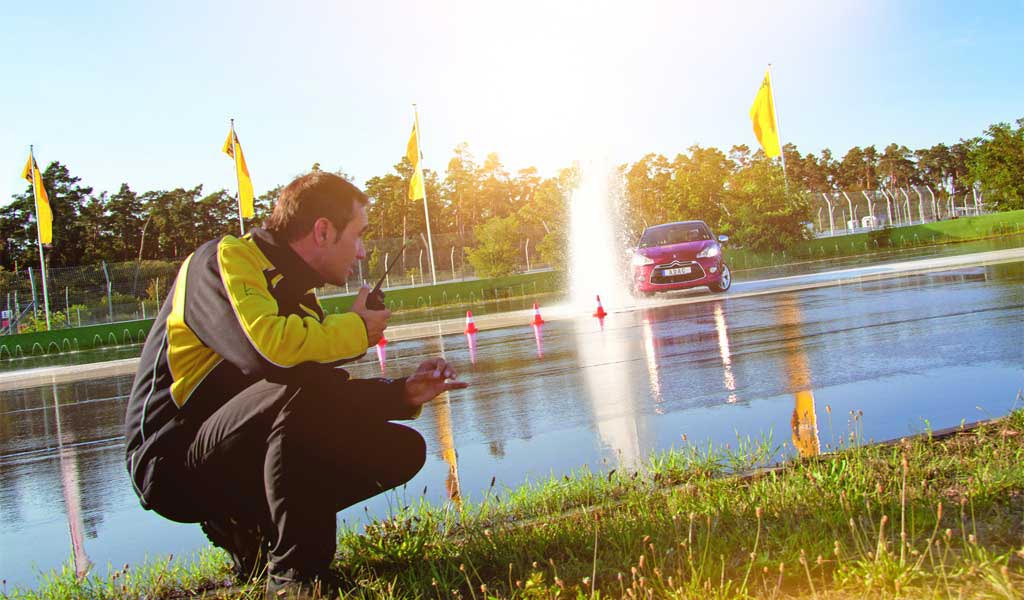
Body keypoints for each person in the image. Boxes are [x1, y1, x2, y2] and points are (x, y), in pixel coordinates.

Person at [123, 171, 467, 597]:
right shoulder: (223, 260)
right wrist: (356, 330)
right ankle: (298, 579)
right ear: (323, 230)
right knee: (302, 389)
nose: (361, 253)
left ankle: (252, 532)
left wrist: (401, 393)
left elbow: (313, 387)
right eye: (358, 236)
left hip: (235, 445)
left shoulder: (299, 297)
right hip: (170, 461)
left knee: (400, 449)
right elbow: (266, 353)